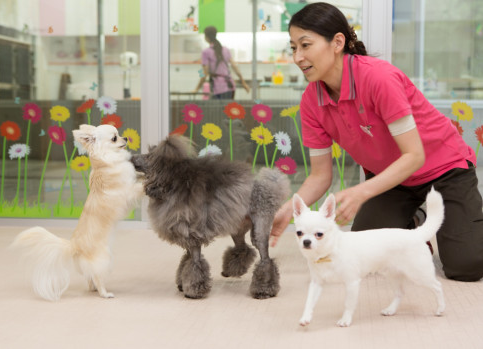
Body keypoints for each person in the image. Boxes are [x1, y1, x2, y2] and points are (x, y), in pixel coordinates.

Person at [271, 2, 483, 282]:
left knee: (465, 267)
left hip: (445, 169)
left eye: (305, 45)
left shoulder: (377, 78)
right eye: (293, 47)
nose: (298, 57)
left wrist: (361, 193)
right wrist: (286, 211)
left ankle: (460, 220)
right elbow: (320, 176)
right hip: (394, 181)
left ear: (337, 42)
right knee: (364, 260)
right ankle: (416, 221)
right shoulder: (312, 101)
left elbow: (414, 156)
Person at [194, 26, 250, 99]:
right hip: (230, 86)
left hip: (218, 88)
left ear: (206, 37)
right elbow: (234, 66)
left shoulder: (206, 52)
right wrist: (243, 82)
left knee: (216, 109)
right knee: (228, 109)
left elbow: (204, 73)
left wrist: (197, 88)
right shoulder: (225, 50)